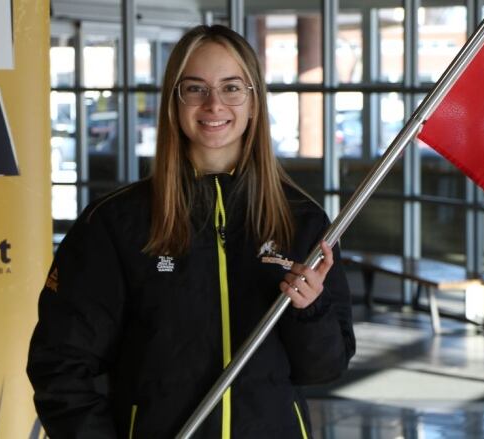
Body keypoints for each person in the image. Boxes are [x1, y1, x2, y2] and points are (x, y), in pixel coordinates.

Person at [27, 24, 355, 438]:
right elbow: (60, 365)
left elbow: (325, 368)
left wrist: (310, 312)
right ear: (174, 102)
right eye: (195, 88)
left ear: (254, 102)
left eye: (232, 88)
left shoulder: (302, 220)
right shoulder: (115, 224)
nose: (214, 104)